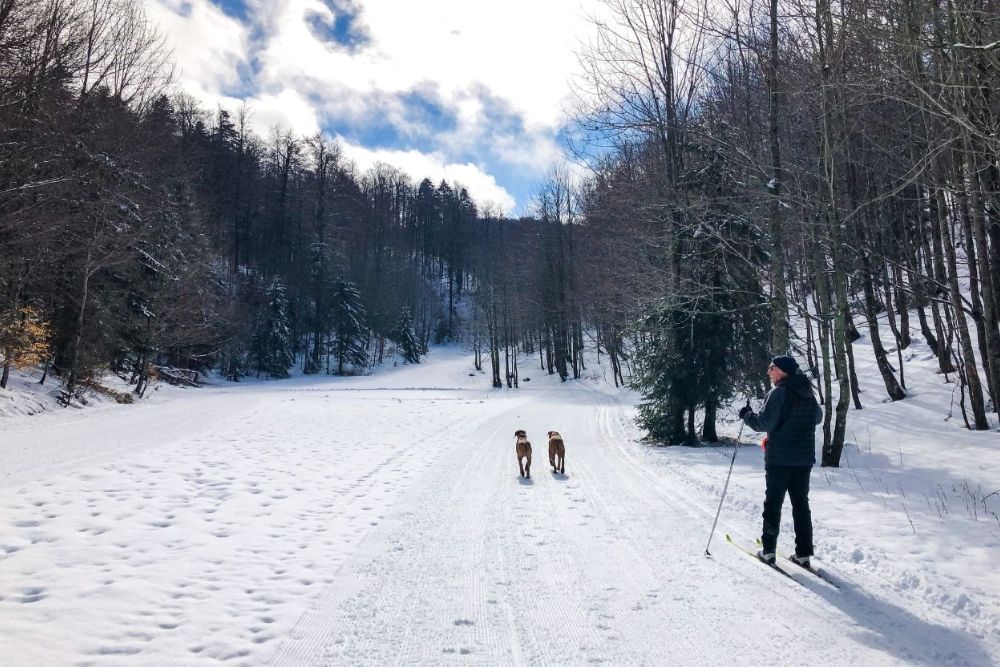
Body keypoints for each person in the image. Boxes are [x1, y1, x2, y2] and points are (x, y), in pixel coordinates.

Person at [738, 355, 823, 568]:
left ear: (782, 371)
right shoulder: (806, 392)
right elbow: (818, 417)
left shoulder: (778, 393)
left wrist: (747, 415)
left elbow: (763, 422)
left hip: (780, 460)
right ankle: (803, 554)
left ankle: (768, 551)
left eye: (772, 368)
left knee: (773, 503)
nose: (769, 372)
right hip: (803, 460)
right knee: (801, 505)